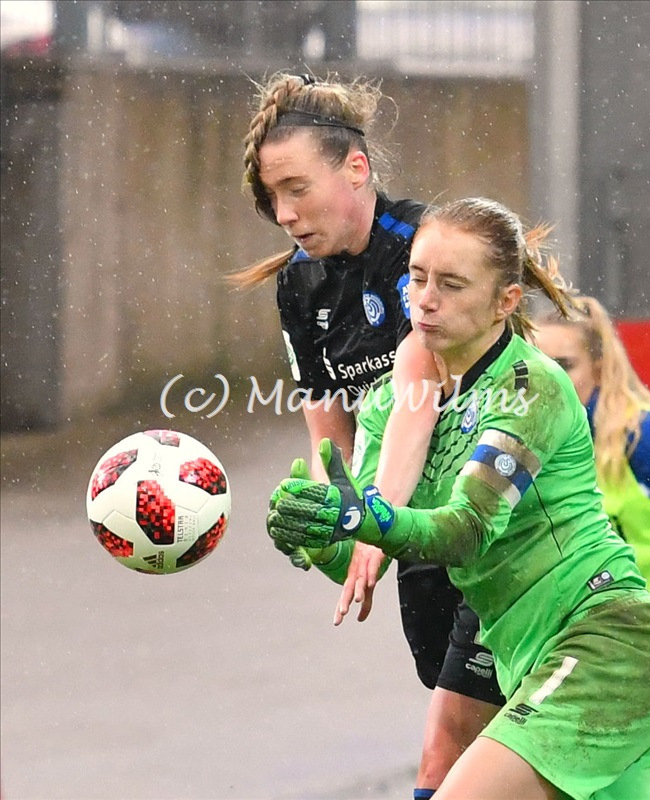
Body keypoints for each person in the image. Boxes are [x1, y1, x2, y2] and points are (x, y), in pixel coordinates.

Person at [267, 197, 650, 799]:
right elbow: (363, 549)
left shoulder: (530, 388)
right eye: (416, 278)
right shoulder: (390, 404)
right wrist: (318, 534)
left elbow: (465, 531)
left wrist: (364, 517)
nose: (425, 300)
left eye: (452, 284)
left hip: (606, 644)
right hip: (531, 656)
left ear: (505, 302)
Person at [230, 72, 506, 795]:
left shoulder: (424, 247)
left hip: (493, 520)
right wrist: (330, 510)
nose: (285, 214)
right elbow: (328, 421)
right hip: (414, 530)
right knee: (471, 719)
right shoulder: (299, 285)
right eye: (272, 199)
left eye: (296, 189)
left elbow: (417, 396)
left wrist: (370, 522)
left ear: (355, 167)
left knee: (455, 742)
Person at [533, 296, 650, 628]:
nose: (549, 380)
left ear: (598, 370)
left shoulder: (648, 438)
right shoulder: (533, 454)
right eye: (537, 366)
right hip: (604, 649)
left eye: (564, 365)